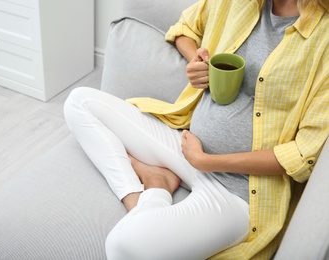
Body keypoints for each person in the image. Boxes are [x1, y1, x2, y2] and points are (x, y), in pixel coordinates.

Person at [64, 0, 329, 258]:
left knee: (124, 246)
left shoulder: (324, 38)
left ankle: (155, 187)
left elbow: (303, 154)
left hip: (237, 190)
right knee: (80, 102)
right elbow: (185, 27)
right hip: (185, 145)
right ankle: (145, 189)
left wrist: (207, 162)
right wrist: (196, 61)